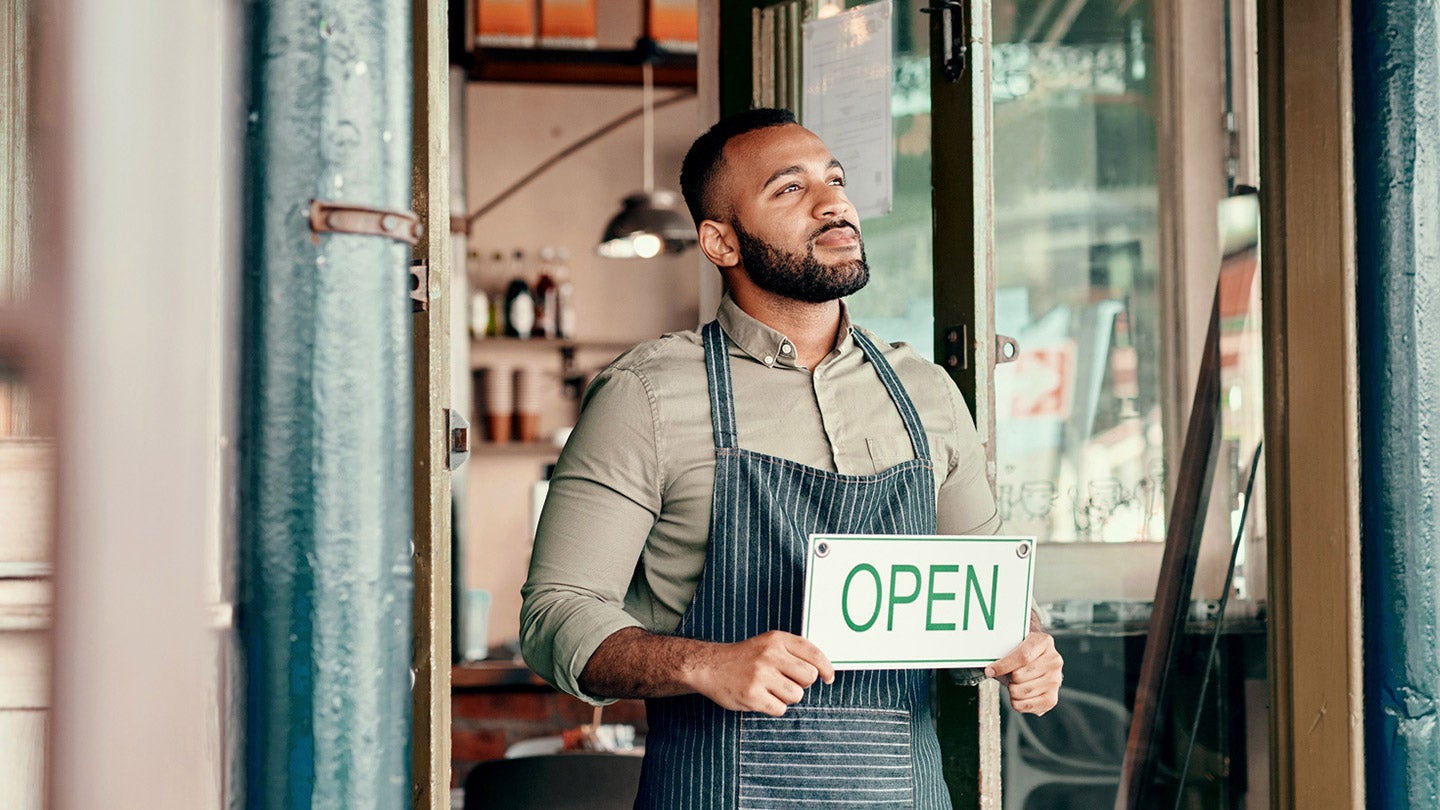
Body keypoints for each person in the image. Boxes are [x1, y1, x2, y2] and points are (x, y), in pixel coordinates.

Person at [521, 108, 1063, 808]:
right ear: (720, 242)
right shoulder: (645, 396)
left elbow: (996, 602)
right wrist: (704, 665)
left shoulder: (924, 393)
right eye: (789, 188)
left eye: (834, 180)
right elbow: (555, 615)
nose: (834, 200)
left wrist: (1030, 647)